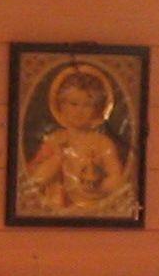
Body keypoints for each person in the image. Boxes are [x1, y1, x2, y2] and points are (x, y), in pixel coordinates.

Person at [20, 62, 135, 215]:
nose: (79, 111)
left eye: (87, 105)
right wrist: (57, 159)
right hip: (58, 205)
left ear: (98, 109)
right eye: (73, 104)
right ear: (60, 105)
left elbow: (116, 179)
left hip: (93, 204)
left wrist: (98, 185)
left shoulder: (102, 143)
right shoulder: (54, 140)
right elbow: (35, 179)